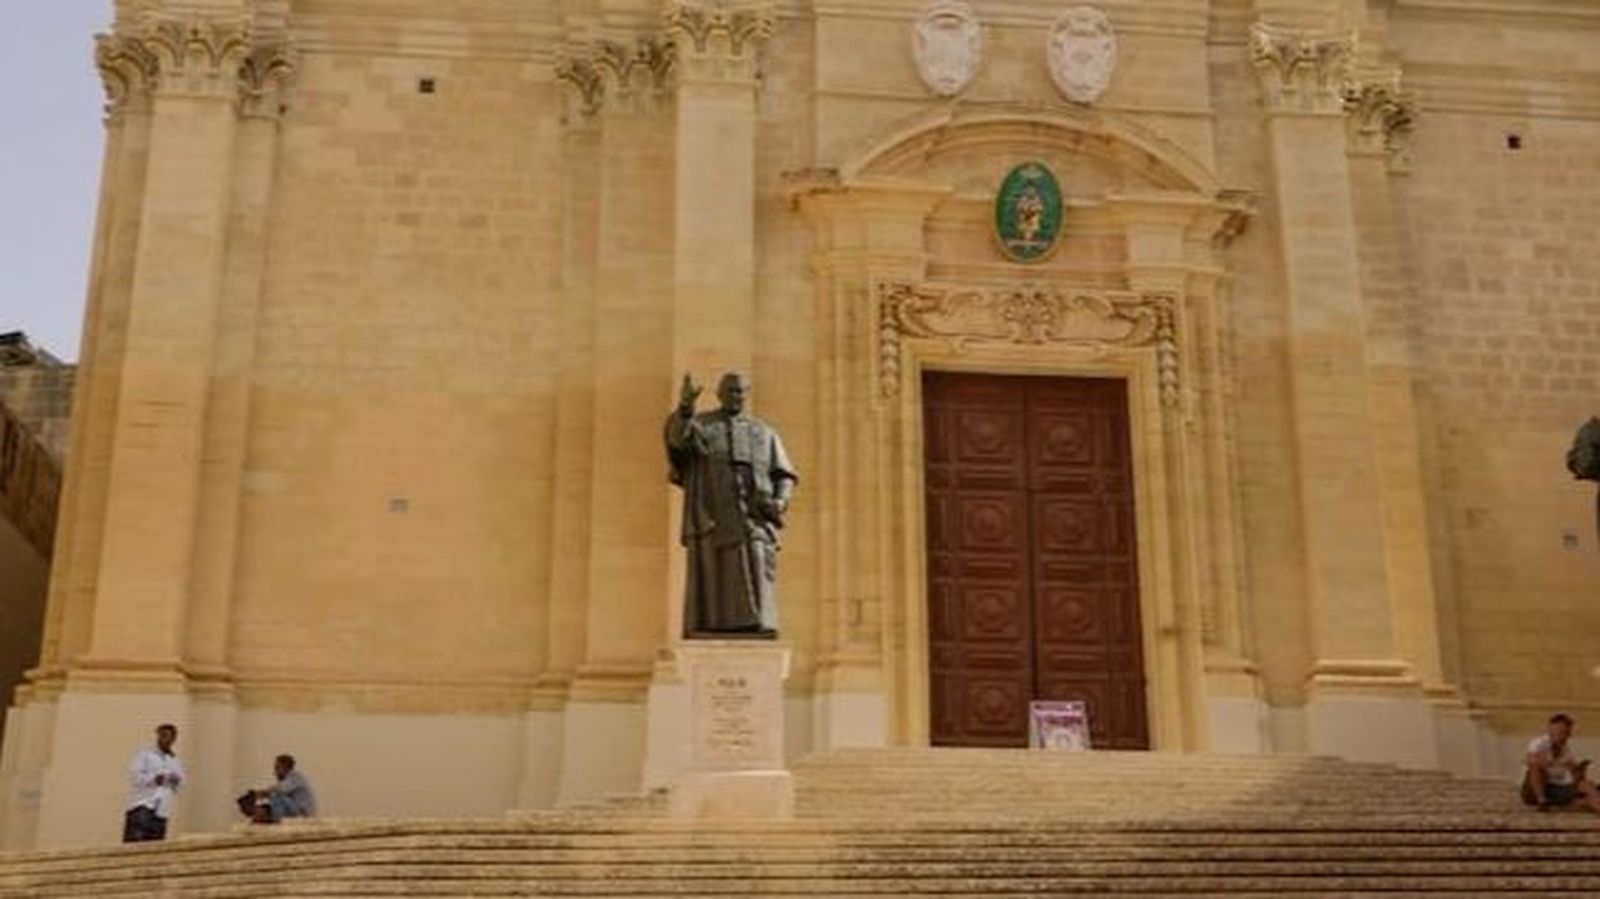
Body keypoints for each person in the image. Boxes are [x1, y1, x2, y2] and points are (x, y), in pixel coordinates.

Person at [665, 371, 798, 638]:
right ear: (720, 394)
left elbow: (784, 474)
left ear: (747, 395)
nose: (736, 397)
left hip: (754, 512)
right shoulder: (701, 425)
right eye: (731, 391)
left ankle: (758, 623)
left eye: (740, 392)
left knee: (757, 560)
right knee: (713, 571)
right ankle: (710, 626)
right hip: (712, 510)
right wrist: (685, 408)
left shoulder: (764, 432)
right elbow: (677, 442)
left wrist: (781, 501)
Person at [1522, 713, 1600, 812]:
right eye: (1558, 732)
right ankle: (1542, 801)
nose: (1561, 737)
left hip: (1554, 789)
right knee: (1535, 766)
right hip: (1534, 790)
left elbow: (1576, 779)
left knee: (1589, 787)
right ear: (1550, 730)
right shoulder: (1539, 743)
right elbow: (1530, 761)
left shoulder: (1568, 752)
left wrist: (1579, 771)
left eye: (1565, 733)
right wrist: (1556, 763)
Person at [124, 723, 184, 842]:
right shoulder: (145, 754)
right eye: (162, 735)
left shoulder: (175, 760)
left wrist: (174, 780)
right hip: (143, 804)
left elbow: (181, 782)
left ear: (174, 738)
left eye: (168, 736)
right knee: (136, 842)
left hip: (162, 809)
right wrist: (154, 779)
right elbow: (135, 776)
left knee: (155, 844)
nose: (165, 739)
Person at [240, 754, 317, 823]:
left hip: (304, 814)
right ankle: (265, 816)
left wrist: (260, 793)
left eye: (277, 768)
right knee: (273, 798)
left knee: (276, 795)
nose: (275, 772)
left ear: (285, 767)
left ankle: (276, 822)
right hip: (296, 810)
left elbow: (281, 790)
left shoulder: (296, 776)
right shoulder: (288, 780)